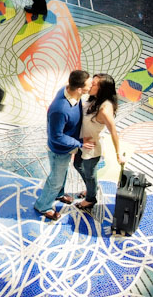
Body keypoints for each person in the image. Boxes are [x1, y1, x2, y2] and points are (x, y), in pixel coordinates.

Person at [33, 70, 93, 221]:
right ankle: (43, 206)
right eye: (89, 84)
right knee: (56, 179)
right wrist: (79, 143)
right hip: (59, 150)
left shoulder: (70, 91)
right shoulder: (60, 110)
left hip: (67, 147)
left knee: (62, 172)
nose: (92, 85)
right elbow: (56, 136)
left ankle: (59, 194)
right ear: (80, 89)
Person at [73, 74, 126, 211]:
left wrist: (118, 154)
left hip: (91, 147)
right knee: (77, 165)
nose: (90, 85)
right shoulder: (93, 99)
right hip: (82, 142)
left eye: (94, 84)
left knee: (89, 173)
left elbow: (113, 131)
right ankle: (92, 188)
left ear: (102, 89)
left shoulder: (104, 109)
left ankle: (90, 199)